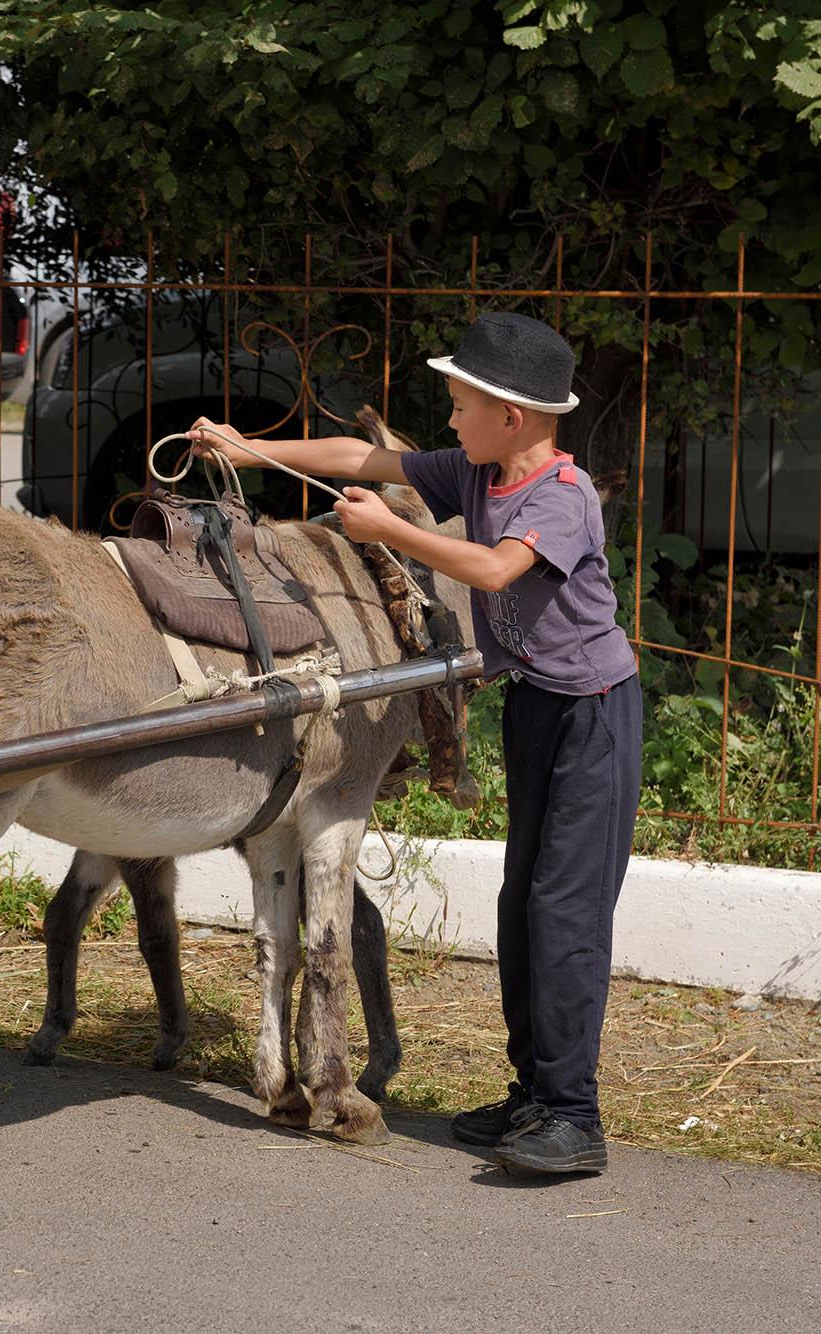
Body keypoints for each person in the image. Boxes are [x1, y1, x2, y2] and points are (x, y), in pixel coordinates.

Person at [189, 311, 640, 1177]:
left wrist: (390, 532)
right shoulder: (477, 469)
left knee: (566, 910)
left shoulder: (561, 494)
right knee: (522, 908)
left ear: (511, 416)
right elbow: (365, 461)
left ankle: (573, 1116)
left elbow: (498, 569)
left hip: (595, 715)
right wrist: (248, 450)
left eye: (462, 404)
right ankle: (531, 1093)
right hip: (538, 708)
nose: (450, 420)